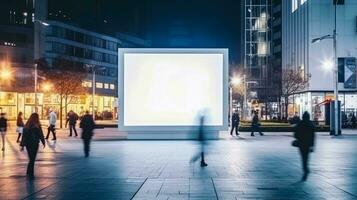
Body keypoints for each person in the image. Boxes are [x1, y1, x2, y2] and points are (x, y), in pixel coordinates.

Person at [20, 113, 46, 179]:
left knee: (31, 158)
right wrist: (43, 142)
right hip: (34, 143)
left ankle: (29, 171)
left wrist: (22, 145)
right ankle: (31, 173)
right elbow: (41, 134)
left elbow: (24, 136)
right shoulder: (37, 125)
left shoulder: (27, 125)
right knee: (32, 158)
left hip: (28, 144)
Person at [294, 111, 315, 181]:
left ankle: (305, 168)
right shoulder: (311, 124)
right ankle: (306, 168)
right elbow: (313, 136)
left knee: (303, 157)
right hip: (308, 144)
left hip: (301, 143)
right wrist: (312, 145)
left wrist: (298, 137)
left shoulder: (300, 124)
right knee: (306, 157)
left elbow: (295, 134)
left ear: (302, 117)